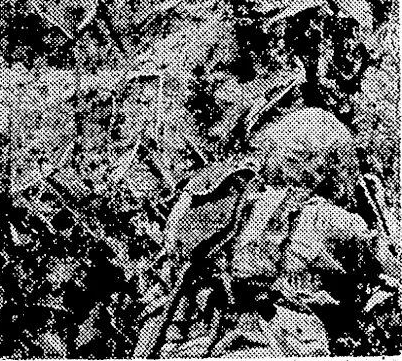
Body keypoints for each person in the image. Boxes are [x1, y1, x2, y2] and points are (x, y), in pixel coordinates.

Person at [133, 107, 398, 358]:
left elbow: (167, 278)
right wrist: (378, 211)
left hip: (187, 345)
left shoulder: (223, 199)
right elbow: (391, 272)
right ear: (328, 164)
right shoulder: (331, 220)